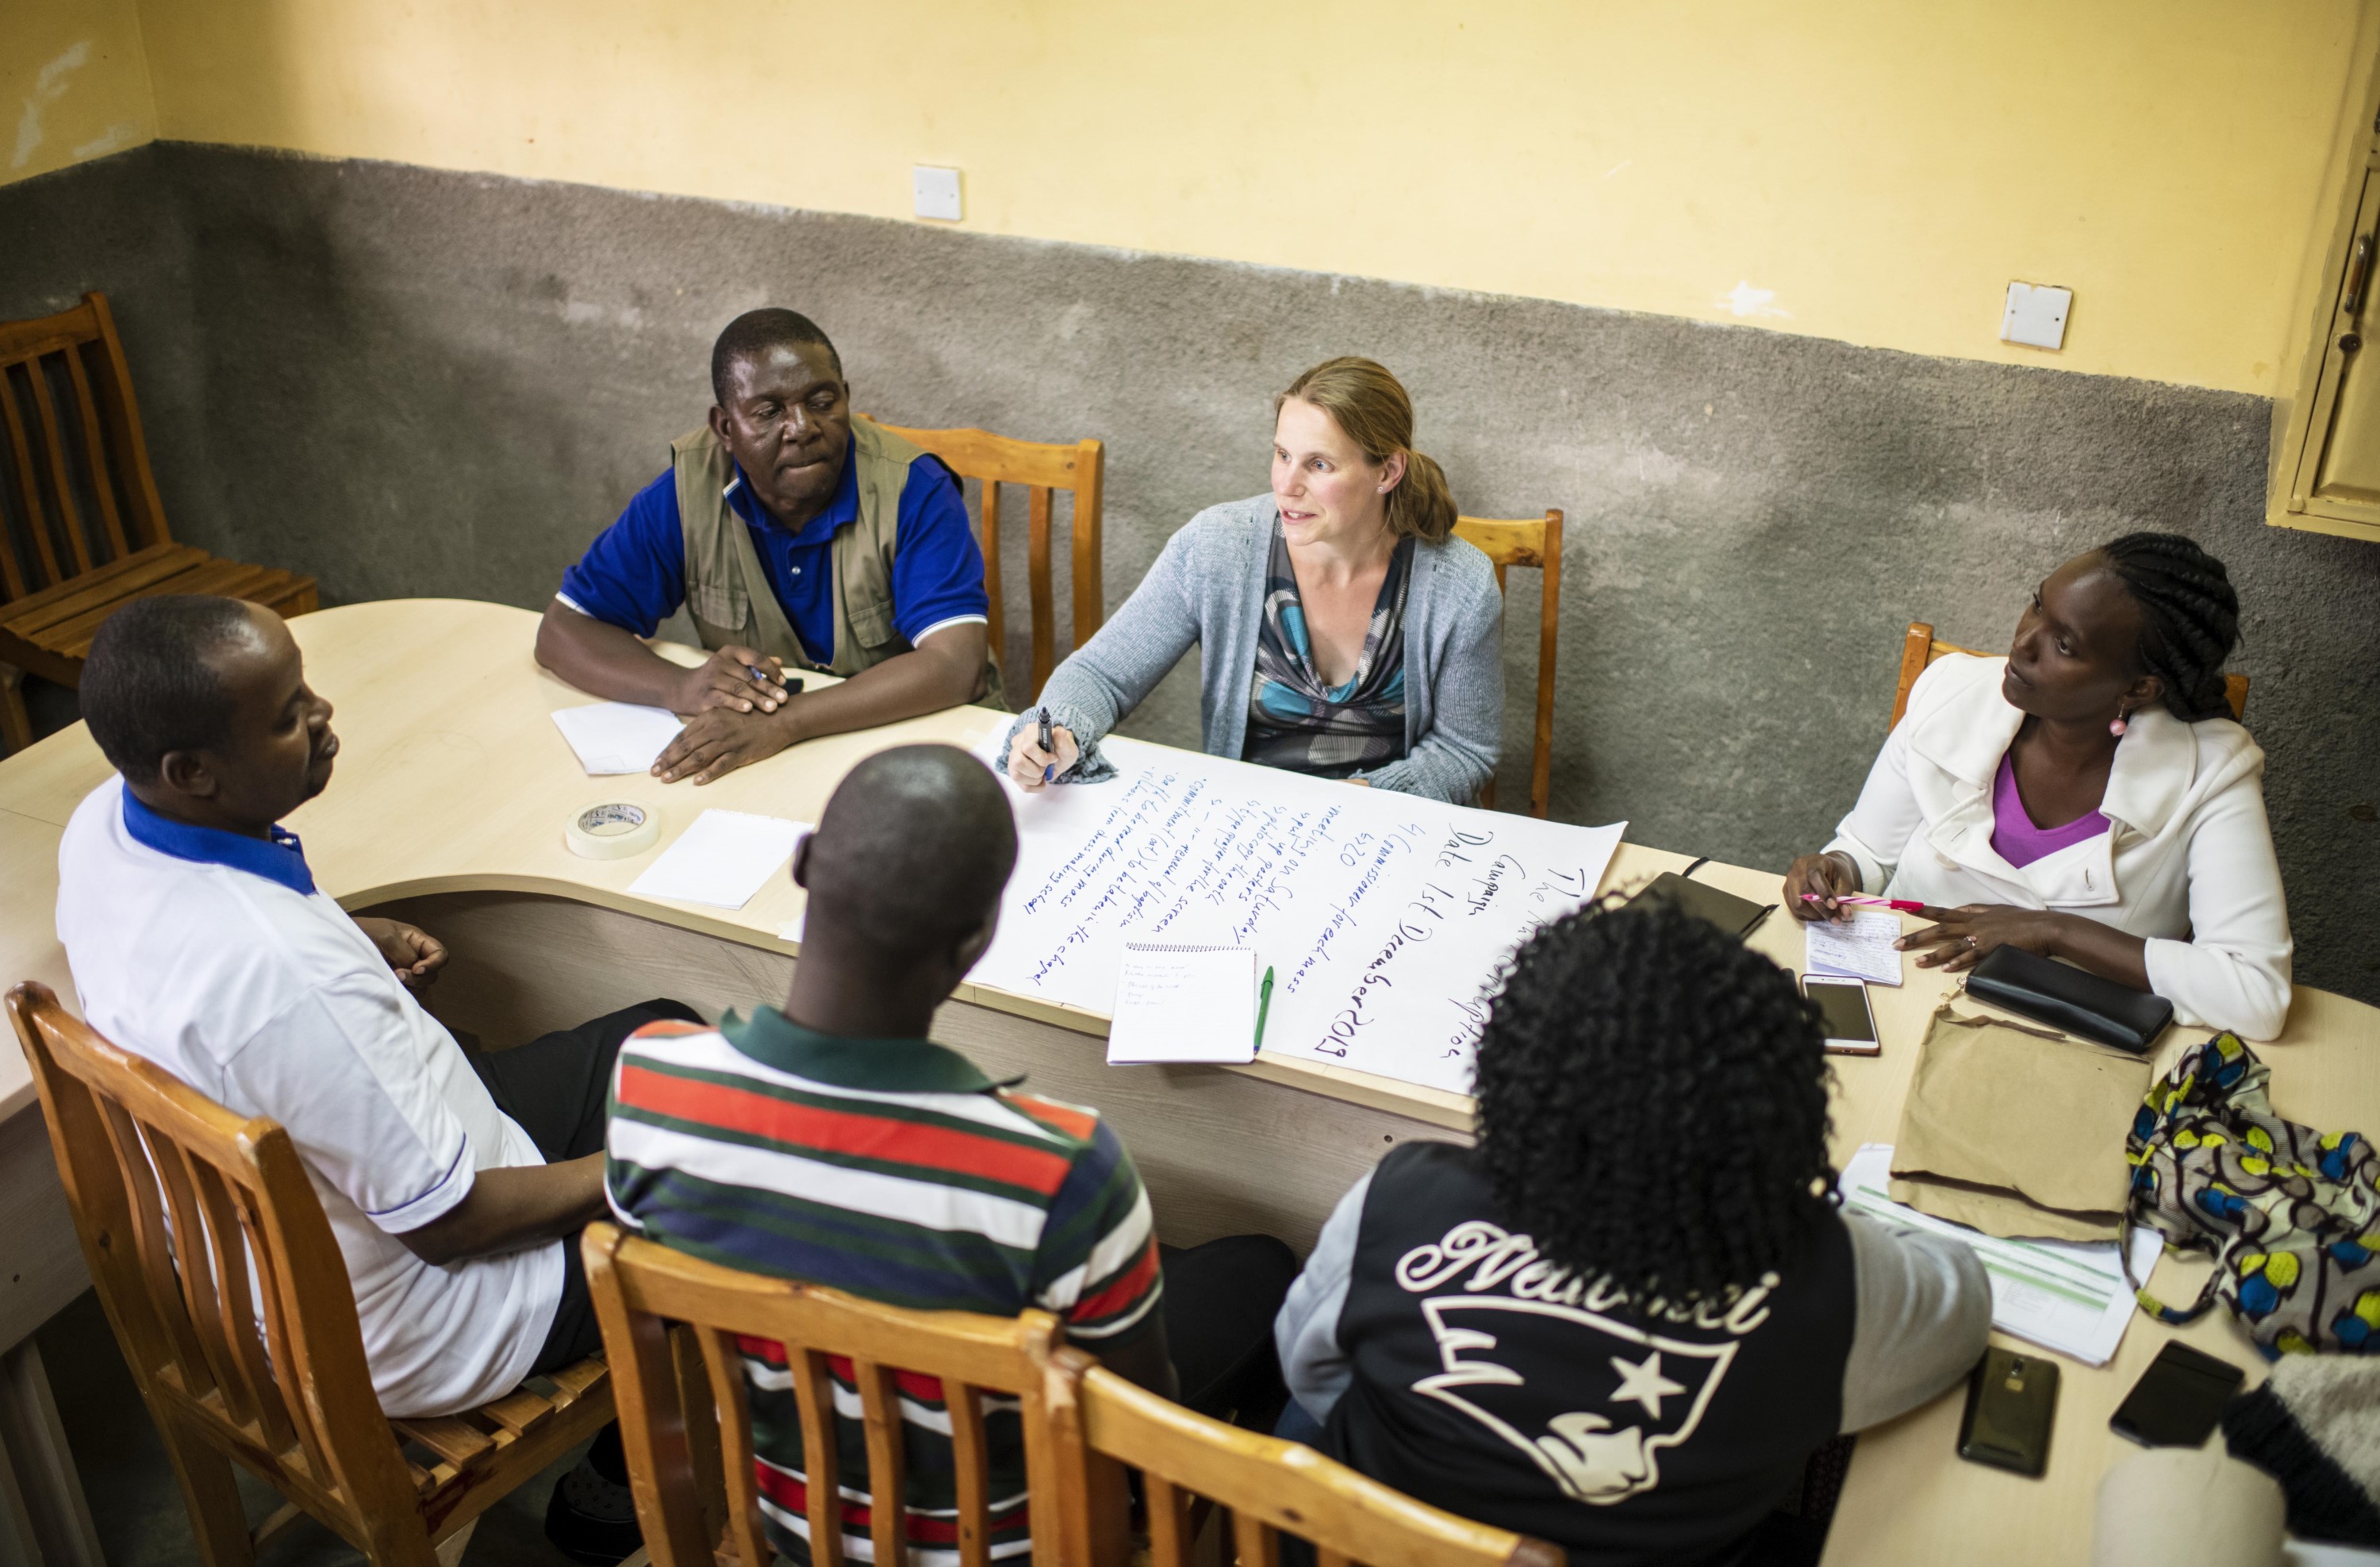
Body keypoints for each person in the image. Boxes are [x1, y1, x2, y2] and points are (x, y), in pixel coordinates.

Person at [54, 595, 689, 1564]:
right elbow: (451, 1226)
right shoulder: (283, 981)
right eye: (284, 715)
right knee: (735, 1171)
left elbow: (243, 946)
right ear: (191, 771)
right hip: (438, 1319)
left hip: (261, 1274)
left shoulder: (108, 824)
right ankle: (640, 1488)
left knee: (662, 1037)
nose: (323, 714)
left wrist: (347, 930)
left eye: (304, 687)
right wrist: (652, 1167)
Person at [605, 743, 1296, 1565]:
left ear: (801, 865)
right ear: (976, 940)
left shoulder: (650, 1078)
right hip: (1006, 1548)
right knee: (1261, 1268)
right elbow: (1138, 1430)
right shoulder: (1063, 1172)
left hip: (788, 1534)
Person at [1273, 899, 1990, 1565]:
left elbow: (1309, 1370)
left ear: (1515, 1083)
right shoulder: (1833, 1279)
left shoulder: (1400, 1199)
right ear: (1776, 1114)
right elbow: (1960, 1308)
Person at [1786, 533, 2290, 1039]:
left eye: (2064, 645)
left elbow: (2256, 994)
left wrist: (2054, 931)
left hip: (2062, 1047)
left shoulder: (2212, 771)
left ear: (2138, 688)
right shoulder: (1951, 692)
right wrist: (1835, 871)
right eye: (2036, 605)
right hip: (1891, 1008)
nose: (2023, 643)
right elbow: (1870, 853)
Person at [1001, 357, 1502, 802]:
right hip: (1249, 840)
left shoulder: (1459, 585)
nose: (1287, 485)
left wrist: (1365, 800)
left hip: (1387, 838)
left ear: (1388, 471)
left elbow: (1464, 753)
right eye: (1282, 455)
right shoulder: (1218, 546)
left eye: (1319, 464)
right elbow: (1102, 674)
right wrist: (1062, 726)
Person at [537, 308, 996, 786]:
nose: (801, 427)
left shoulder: (914, 488)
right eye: (769, 412)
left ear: (847, 400)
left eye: (821, 402)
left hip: (915, 750)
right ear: (725, 428)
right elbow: (564, 629)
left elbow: (956, 666)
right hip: (773, 766)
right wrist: (683, 686)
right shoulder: (688, 492)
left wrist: (786, 721)